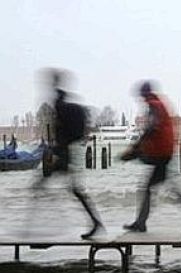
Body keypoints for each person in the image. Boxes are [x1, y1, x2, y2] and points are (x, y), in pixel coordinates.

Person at [121, 81, 181, 234]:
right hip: (164, 152)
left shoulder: (154, 105)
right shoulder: (158, 104)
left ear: (144, 94)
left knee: (150, 188)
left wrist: (135, 148)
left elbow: (152, 128)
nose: (140, 99)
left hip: (161, 153)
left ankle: (142, 223)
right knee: (166, 188)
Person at [33, 69, 103, 239]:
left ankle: (91, 223)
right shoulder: (60, 100)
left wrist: (56, 152)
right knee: (73, 189)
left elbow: (63, 133)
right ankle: (94, 222)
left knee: (50, 186)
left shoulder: (59, 103)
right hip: (65, 151)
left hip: (65, 152)